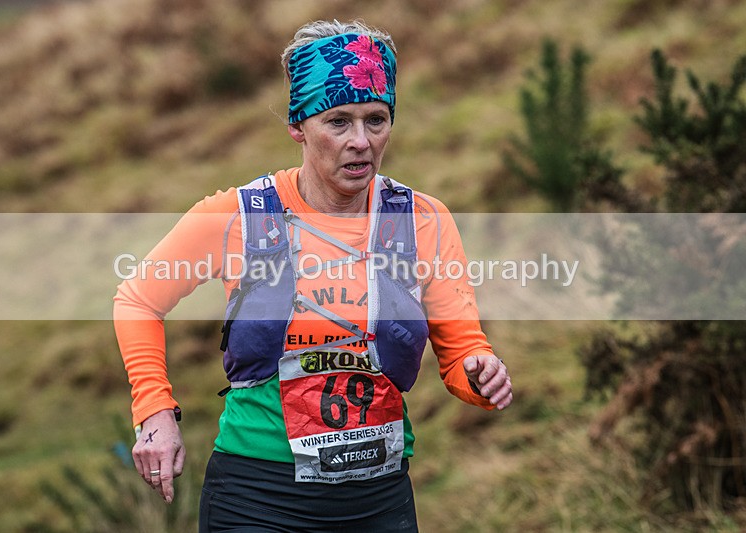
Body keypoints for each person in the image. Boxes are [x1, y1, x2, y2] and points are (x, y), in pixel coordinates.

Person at [114, 19, 513, 532]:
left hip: (379, 496)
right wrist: (156, 411)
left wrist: (481, 373)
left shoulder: (422, 220)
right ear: (298, 127)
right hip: (256, 496)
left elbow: (461, 353)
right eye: (339, 121)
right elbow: (137, 300)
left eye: (377, 119)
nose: (361, 141)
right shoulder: (239, 215)